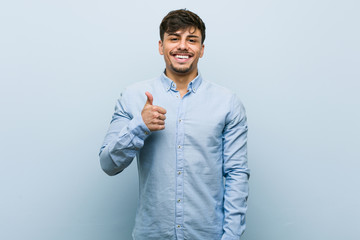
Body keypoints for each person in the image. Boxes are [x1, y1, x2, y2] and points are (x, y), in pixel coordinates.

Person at [99, 9, 249, 240]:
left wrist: (231, 237)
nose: (183, 46)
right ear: (161, 46)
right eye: (174, 38)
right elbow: (109, 164)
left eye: (192, 40)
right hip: (152, 234)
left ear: (201, 49)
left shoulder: (227, 102)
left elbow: (236, 174)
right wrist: (140, 126)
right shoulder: (132, 96)